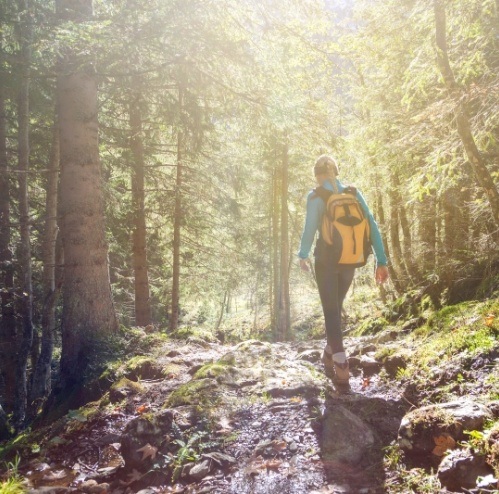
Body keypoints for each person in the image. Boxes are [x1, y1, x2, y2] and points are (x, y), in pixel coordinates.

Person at [298, 155, 389, 389]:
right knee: (335, 309)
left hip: (326, 261)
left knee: (330, 310)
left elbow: (310, 228)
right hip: (350, 259)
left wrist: (302, 254)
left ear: (317, 175)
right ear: (336, 172)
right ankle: (328, 353)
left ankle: (341, 365)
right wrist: (381, 260)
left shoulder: (317, 196)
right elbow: (372, 224)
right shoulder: (353, 193)